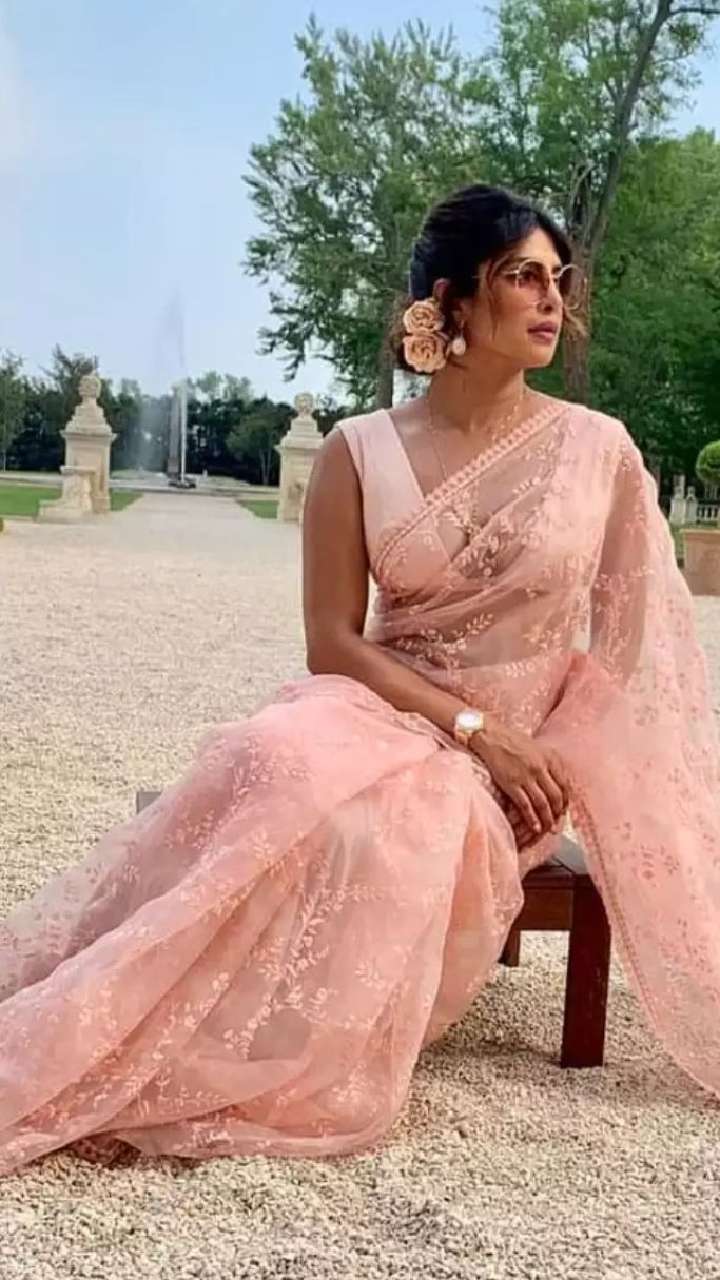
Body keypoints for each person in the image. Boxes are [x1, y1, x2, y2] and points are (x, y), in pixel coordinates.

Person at [1, 184, 718, 1177]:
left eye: (559, 280)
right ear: (449, 300)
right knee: (271, 754)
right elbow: (333, 642)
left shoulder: (601, 453)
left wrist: (549, 754)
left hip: (514, 764)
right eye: (522, 276)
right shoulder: (357, 449)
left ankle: (230, 1043)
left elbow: (637, 649)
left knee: (385, 822)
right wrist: (469, 725)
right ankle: (114, 1010)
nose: (553, 299)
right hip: (382, 704)